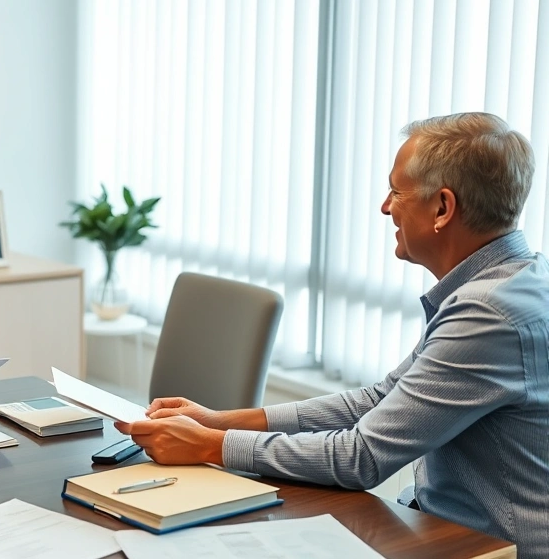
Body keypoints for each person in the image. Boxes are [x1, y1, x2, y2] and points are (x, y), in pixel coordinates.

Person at [116, 112, 548, 557]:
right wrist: (222, 420)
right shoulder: (511, 282)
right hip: (445, 525)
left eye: (396, 192)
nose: (385, 207)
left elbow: (360, 458)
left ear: (442, 208)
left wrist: (211, 445)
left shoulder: (488, 313)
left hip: (489, 549)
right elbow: (381, 398)